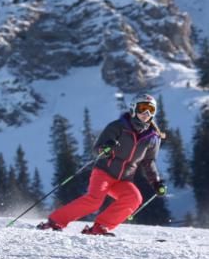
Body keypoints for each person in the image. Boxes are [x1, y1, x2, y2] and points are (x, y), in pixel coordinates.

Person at [37, 93, 166, 236]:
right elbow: (97, 148)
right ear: (134, 108)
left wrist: (156, 183)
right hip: (104, 172)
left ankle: (100, 227)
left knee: (134, 198)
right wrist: (105, 148)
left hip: (123, 179)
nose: (146, 113)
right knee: (94, 201)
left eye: (151, 110)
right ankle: (55, 221)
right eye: (143, 108)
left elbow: (149, 162)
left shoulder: (152, 138)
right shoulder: (118, 127)